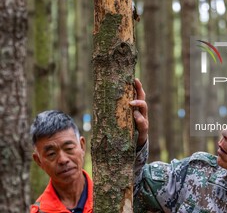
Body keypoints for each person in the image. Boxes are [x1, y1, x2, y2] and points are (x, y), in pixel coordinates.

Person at [30, 79, 149, 213]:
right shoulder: (40, 211)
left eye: (69, 149)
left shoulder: (114, 195)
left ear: (82, 145)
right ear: (38, 160)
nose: (63, 160)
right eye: (51, 154)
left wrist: (139, 140)